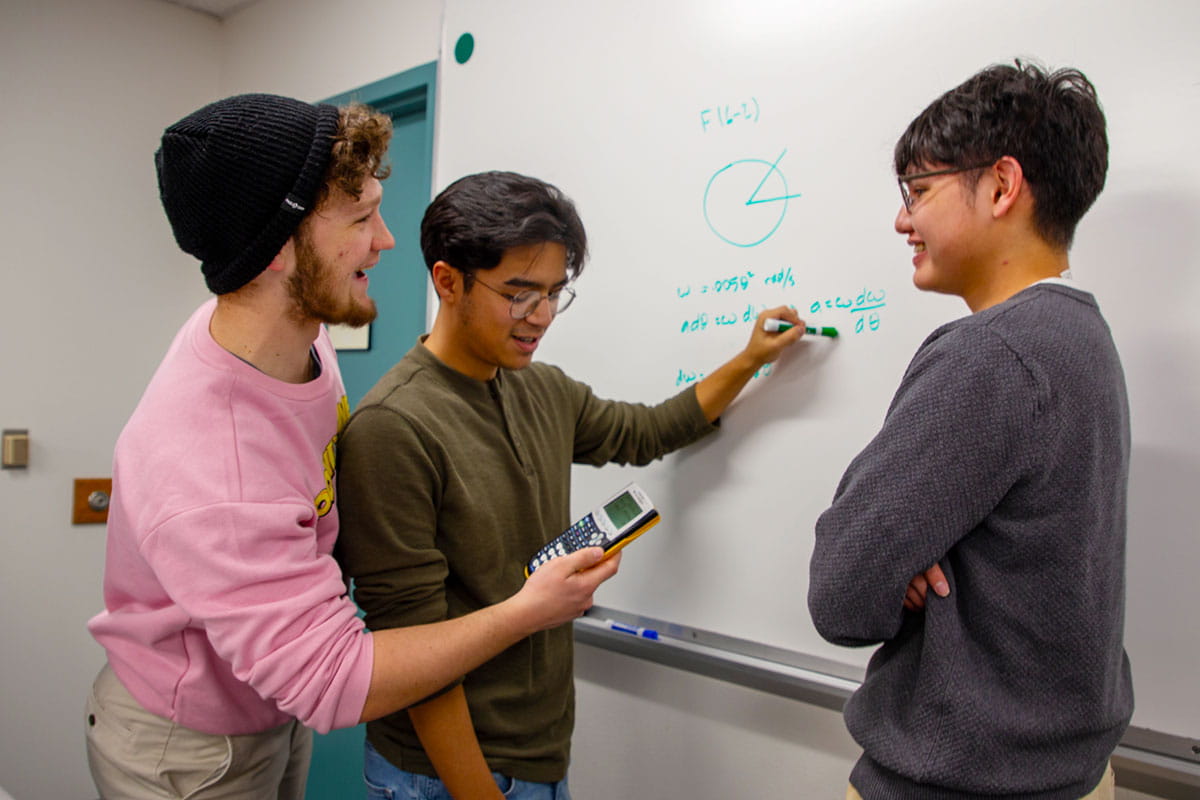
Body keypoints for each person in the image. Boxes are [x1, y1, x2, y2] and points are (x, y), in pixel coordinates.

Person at [85, 96, 619, 800]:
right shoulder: (212, 461)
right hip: (186, 748)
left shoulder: (295, 335)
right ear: (277, 247)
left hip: (268, 707)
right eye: (361, 218)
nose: (387, 240)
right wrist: (528, 609)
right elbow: (336, 679)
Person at [334, 170, 806, 799]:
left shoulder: (542, 388)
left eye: (556, 292)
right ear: (448, 281)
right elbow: (412, 655)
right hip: (443, 775)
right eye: (520, 293)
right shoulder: (393, 428)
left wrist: (750, 360)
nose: (542, 316)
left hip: (540, 757)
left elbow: (648, 431)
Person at [807, 61, 1133, 800]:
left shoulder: (992, 353)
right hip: (1067, 774)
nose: (902, 219)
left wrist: (895, 562)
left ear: (1001, 185)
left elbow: (840, 593)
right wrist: (910, 555)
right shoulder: (1081, 335)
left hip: (961, 784)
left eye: (918, 192)